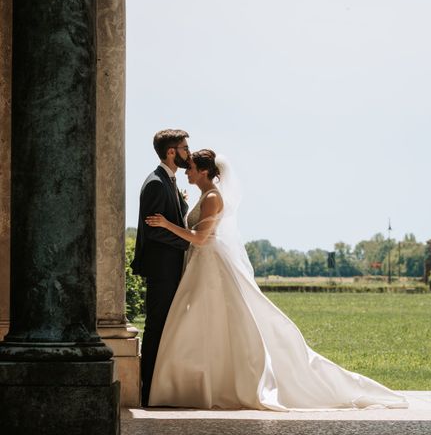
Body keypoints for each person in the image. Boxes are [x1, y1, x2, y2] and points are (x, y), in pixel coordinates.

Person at [145, 149, 408, 410]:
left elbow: (201, 238)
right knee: (204, 323)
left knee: (219, 320)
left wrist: (167, 225)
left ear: (203, 171)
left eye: (190, 167)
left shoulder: (213, 197)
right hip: (200, 264)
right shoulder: (205, 195)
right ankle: (199, 383)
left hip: (211, 264)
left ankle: (217, 384)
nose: (186, 171)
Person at [131, 129, 191, 407]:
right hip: (162, 269)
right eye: (185, 149)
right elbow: (153, 231)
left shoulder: (169, 181)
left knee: (166, 325)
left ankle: (160, 387)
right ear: (171, 152)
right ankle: (148, 392)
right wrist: (187, 244)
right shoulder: (156, 183)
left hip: (170, 267)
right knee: (156, 327)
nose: (188, 154)